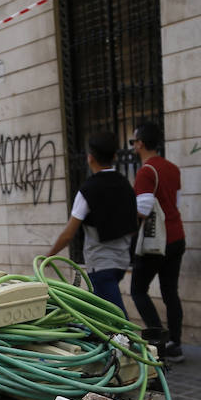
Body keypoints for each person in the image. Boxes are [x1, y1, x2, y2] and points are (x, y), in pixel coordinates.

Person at [45, 130, 135, 316]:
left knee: (118, 318)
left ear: (90, 158)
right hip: (121, 263)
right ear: (115, 157)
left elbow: (69, 233)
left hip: (100, 265)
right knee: (99, 315)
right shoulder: (125, 184)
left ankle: (132, 345)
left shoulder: (88, 190)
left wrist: (49, 256)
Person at [130, 121, 186, 362]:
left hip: (156, 243)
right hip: (177, 237)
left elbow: (142, 210)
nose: (133, 145)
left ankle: (158, 340)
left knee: (138, 290)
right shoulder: (173, 168)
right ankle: (175, 343)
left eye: (134, 141)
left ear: (141, 143)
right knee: (170, 292)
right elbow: (176, 202)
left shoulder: (145, 171)